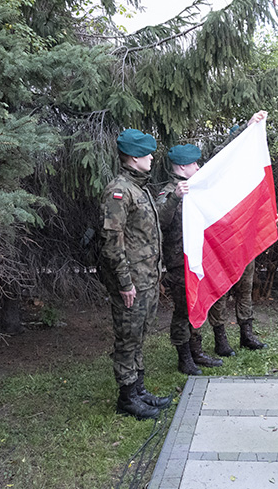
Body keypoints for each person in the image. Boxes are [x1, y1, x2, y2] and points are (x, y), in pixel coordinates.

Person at [99, 128, 171, 420]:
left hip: (147, 278)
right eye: (147, 153)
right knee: (127, 338)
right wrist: (125, 283)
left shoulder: (138, 188)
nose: (152, 157)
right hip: (131, 282)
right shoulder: (118, 191)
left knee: (140, 334)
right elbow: (111, 242)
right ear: (132, 157)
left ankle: (139, 390)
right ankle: (127, 398)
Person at [157, 144, 223, 374]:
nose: (198, 166)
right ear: (183, 166)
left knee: (197, 305)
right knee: (183, 310)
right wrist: (175, 198)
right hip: (178, 262)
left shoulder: (195, 188)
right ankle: (184, 357)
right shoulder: (168, 192)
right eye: (194, 163)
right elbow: (160, 223)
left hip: (197, 258)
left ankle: (196, 351)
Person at [208, 111, 270, 357]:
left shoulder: (248, 172)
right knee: (222, 289)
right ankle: (220, 338)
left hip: (246, 239)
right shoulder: (218, 170)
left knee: (245, 287)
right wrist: (246, 128)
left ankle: (247, 334)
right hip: (224, 240)